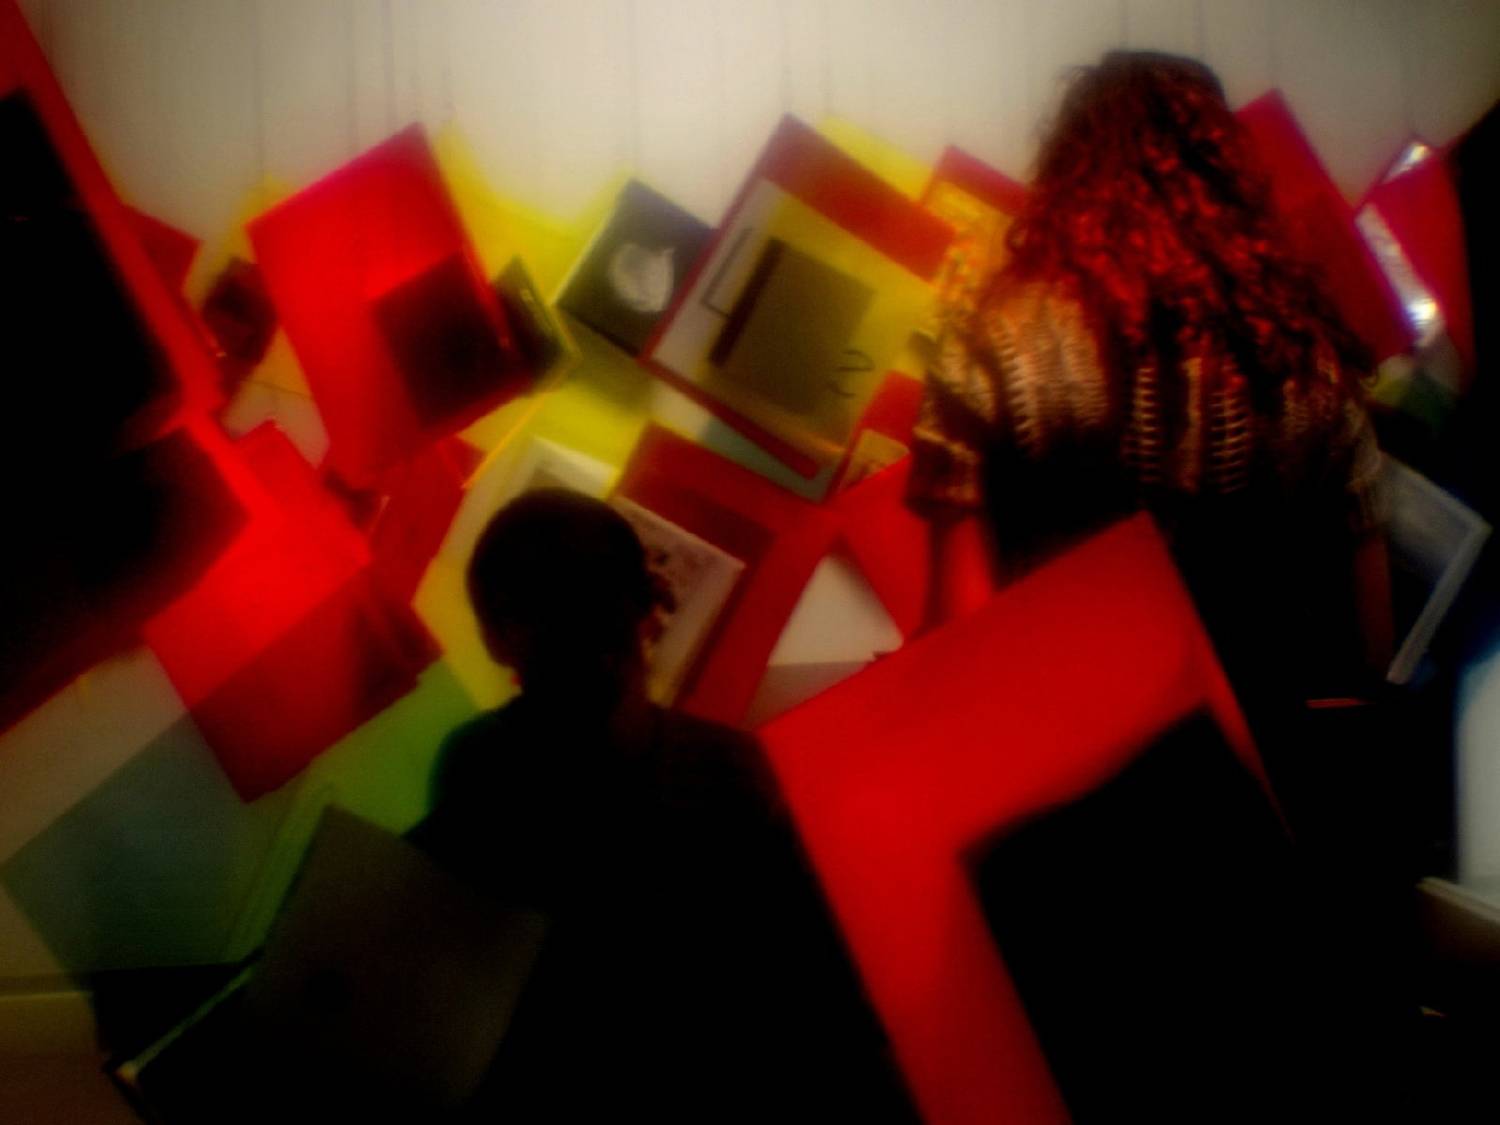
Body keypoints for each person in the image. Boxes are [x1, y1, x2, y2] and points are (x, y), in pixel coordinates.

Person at [908, 51, 1392, 722]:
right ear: (1226, 174)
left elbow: (960, 631)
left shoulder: (995, 339)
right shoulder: (1308, 363)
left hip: (1056, 743)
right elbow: (1368, 648)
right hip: (1256, 754)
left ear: (1069, 172)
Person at [408, 489, 914, 1123]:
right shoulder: (737, 773)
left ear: (500, 637)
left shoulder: (477, 769)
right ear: (646, 609)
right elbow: (824, 1003)